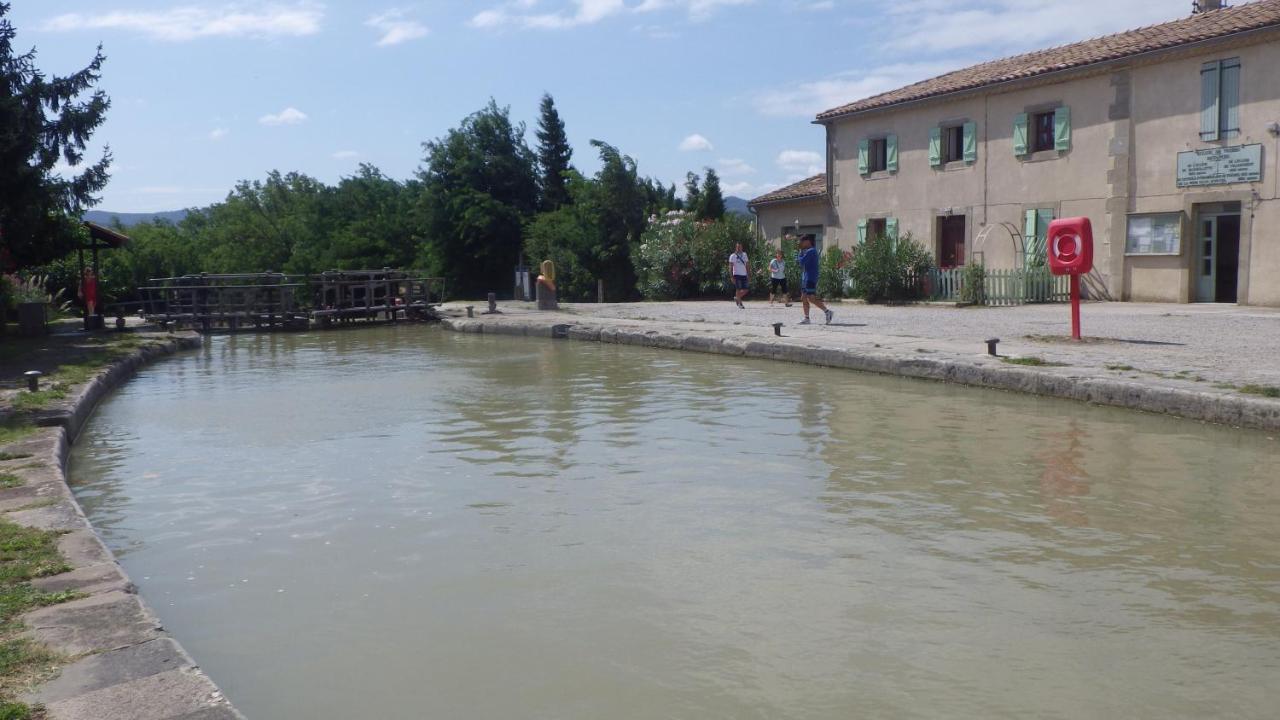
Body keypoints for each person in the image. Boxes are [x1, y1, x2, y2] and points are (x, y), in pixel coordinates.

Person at [796, 235, 833, 325]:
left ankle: (827, 312)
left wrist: (799, 252)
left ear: (807, 241)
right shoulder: (807, 251)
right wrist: (800, 252)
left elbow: (801, 262)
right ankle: (807, 318)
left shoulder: (811, 251)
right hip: (805, 277)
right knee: (804, 298)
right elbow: (801, 263)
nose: (800, 244)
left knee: (810, 298)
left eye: (801, 242)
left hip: (810, 277)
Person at [727, 242, 750, 309]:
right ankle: (740, 304)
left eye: (740, 247)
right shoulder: (732, 256)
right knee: (738, 289)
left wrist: (748, 274)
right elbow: (730, 267)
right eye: (738, 247)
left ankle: (737, 297)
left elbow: (747, 265)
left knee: (746, 289)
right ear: (736, 247)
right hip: (736, 274)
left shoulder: (745, 254)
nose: (739, 248)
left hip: (744, 274)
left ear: (742, 247)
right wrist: (731, 276)